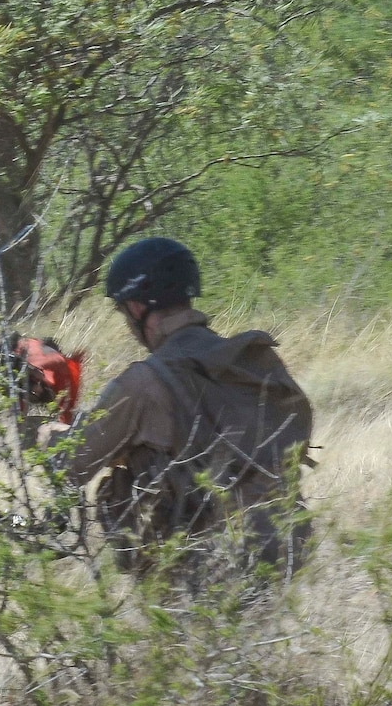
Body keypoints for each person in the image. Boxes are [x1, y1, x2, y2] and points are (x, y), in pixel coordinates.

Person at [57, 237, 314, 584]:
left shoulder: (142, 383)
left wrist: (46, 434)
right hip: (289, 551)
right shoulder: (255, 359)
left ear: (135, 308)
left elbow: (69, 465)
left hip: (209, 572)